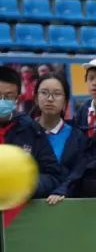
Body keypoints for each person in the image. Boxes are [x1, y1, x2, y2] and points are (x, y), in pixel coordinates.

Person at [0, 66, 65, 197]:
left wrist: (28, 184)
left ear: (17, 98)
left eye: (8, 97)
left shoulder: (31, 130)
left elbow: (53, 176)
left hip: (18, 205)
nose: (2, 101)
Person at [34, 72, 87, 185]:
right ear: (36, 98)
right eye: (44, 93)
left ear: (65, 101)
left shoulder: (77, 137)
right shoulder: (22, 131)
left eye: (57, 94)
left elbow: (76, 176)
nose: (50, 99)